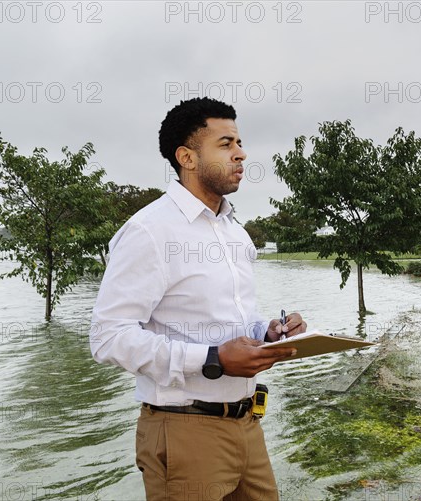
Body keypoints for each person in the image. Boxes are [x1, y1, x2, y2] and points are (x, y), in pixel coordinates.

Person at [90, 96, 307, 501]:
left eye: (239, 143)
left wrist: (270, 331)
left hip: (248, 425)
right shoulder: (150, 231)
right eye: (226, 144)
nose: (241, 154)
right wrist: (211, 358)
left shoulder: (236, 234)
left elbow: (234, 320)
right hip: (184, 429)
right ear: (186, 157)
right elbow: (107, 337)